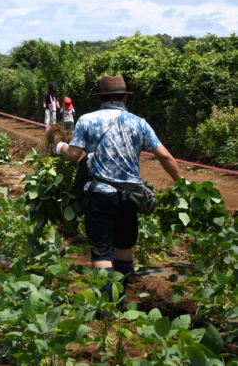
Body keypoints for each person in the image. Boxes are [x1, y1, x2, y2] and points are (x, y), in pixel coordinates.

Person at [54, 74, 183, 302]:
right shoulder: (139, 122)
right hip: (130, 196)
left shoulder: (87, 120)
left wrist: (60, 147)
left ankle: (106, 303)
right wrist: (183, 182)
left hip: (100, 195)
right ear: (124, 97)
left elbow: (74, 156)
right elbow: (164, 156)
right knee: (124, 246)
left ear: (101, 98)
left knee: (102, 251)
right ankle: (120, 296)